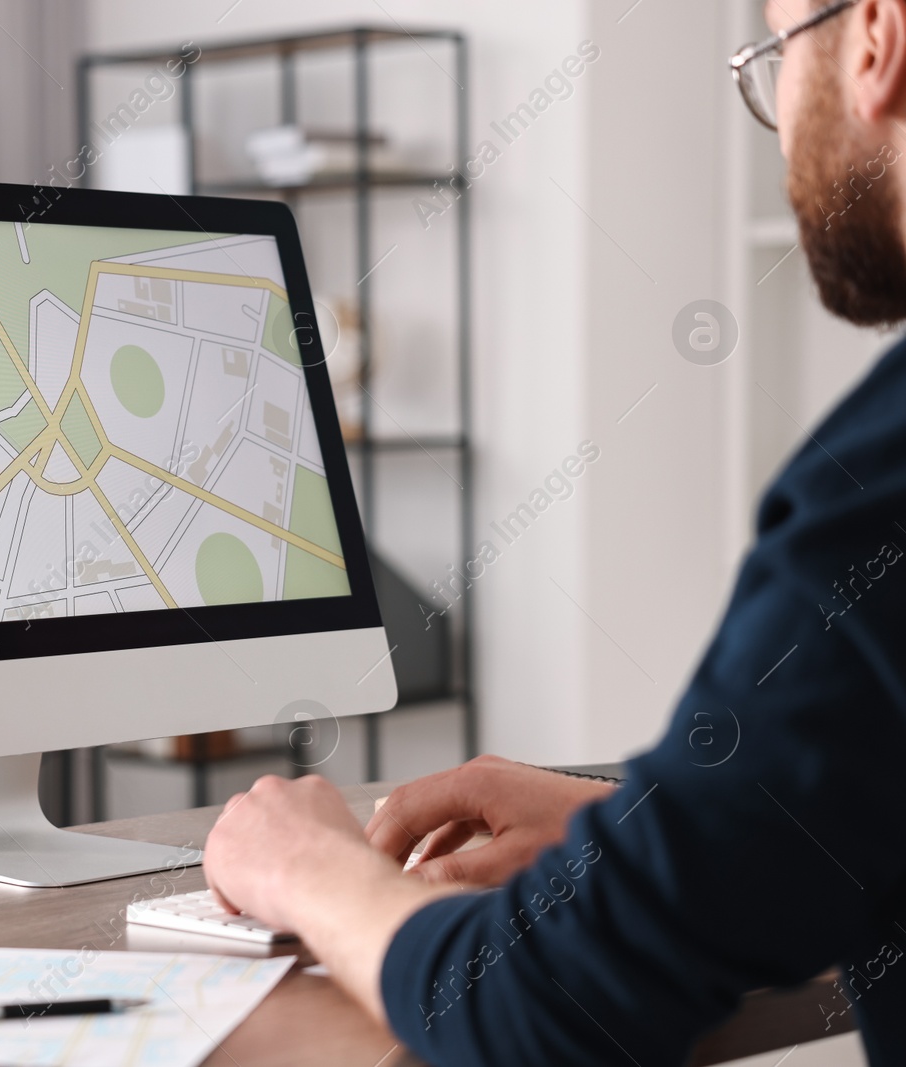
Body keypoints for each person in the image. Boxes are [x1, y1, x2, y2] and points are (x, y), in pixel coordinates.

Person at [204, 0, 906, 1062]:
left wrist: (302, 867)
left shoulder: (877, 489)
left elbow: (539, 1007)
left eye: (771, 58)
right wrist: (649, 817)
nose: (776, 122)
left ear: (872, 40)